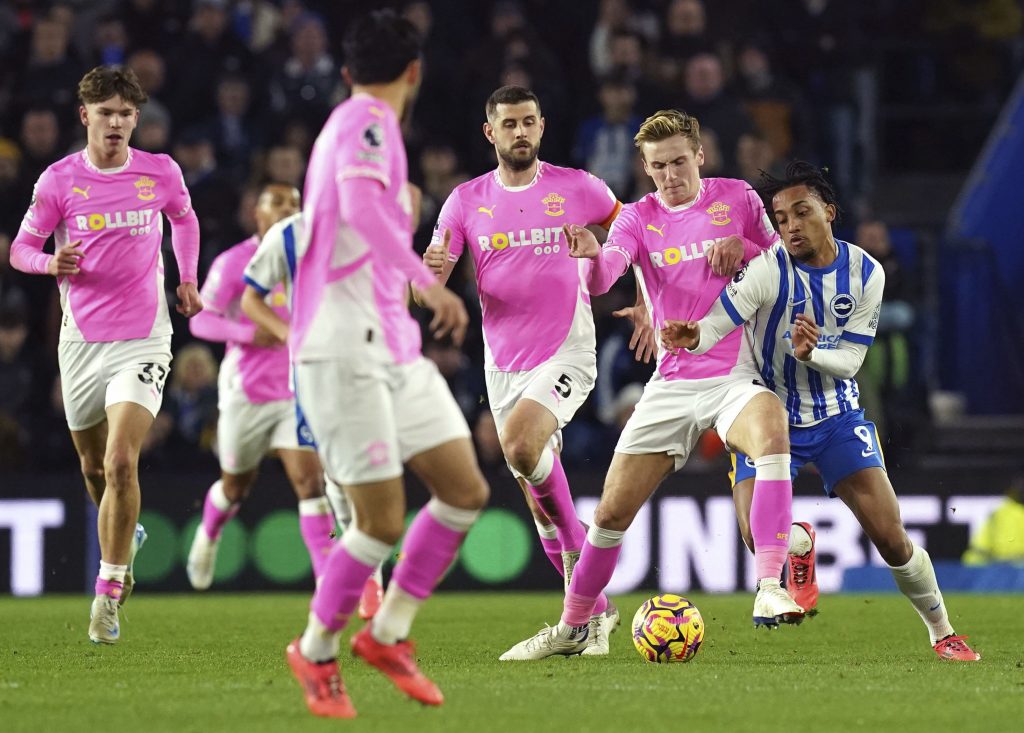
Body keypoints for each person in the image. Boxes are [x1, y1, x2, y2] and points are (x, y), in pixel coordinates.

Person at [500, 109, 799, 661]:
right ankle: (575, 627)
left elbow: (786, 264)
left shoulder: (737, 198)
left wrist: (748, 249)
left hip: (734, 374)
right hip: (672, 384)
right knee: (611, 515)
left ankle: (771, 586)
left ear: (700, 156)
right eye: (658, 166)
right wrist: (589, 257)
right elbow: (606, 274)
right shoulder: (636, 218)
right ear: (645, 167)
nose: (670, 175)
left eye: (679, 162)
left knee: (771, 426)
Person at [661, 161, 981, 662]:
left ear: (829, 212)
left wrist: (811, 354)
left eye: (801, 212)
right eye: (780, 216)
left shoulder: (865, 273)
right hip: (767, 417)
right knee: (753, 537)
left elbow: (851, 362)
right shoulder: (767, 268)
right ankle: (797, 547)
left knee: (891, 538)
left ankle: (943, 631)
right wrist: (693, 334)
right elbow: (720, 321)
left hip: (836, 418)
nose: (789, 225)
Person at [283, 11, 489, 719]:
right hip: (341, 345)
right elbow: (367, 210)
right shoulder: (366, 121)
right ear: (415, 71)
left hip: (391, 342)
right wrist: (427, 280)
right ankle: (314, 651)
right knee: (378, 522)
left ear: (345, 70)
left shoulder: (360, 122)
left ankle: (388, 634)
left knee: (463, 490)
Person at [423, 84, 658, 657]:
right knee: (535, 491)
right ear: (491, 133)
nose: (521, 132)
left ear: (542, 126)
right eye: (510, 124)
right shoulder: (465, 201)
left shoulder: (579, 187)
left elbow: (640, 232)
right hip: (501, 364)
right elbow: (432, 274)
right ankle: (592, 618)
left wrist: (651, 300)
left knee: (522, 446)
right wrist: (425, 279)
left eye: (529, 121)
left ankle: (581, 586)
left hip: (566, 351)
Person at [8, 65, 202, 644]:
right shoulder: (58, 180)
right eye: (106, 112)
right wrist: (50, 263)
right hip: (81, 341)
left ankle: (109, 592)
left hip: (144, 336)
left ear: (135, 119)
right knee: (94, 469)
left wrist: (187, 278)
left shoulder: (160, 171)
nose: (116, 122)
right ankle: (128, 532)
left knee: (120, 461)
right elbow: (21, 248)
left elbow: (184, 219)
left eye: (126, 113)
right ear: (84, 115)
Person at [185, 182, 335, 594]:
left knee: (309, 482)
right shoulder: (234, 262)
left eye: (294, 203)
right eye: (277, 203)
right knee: (236, 486)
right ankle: (209, 534)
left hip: (294, 388)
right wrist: (248, 332)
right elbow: (201, 319)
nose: (287, 209)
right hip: (245, 390)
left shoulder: (312, 256)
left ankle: (327, 585)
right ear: (258, 212)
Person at [238, 207, 385, 617]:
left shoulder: (373, 222)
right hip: (311, 372)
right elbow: (250, 298)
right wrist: (289, 333)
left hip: (368, 360)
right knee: (336, 470)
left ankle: (368, 572)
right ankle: (367, 573)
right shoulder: (288, 234)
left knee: (369, 464)